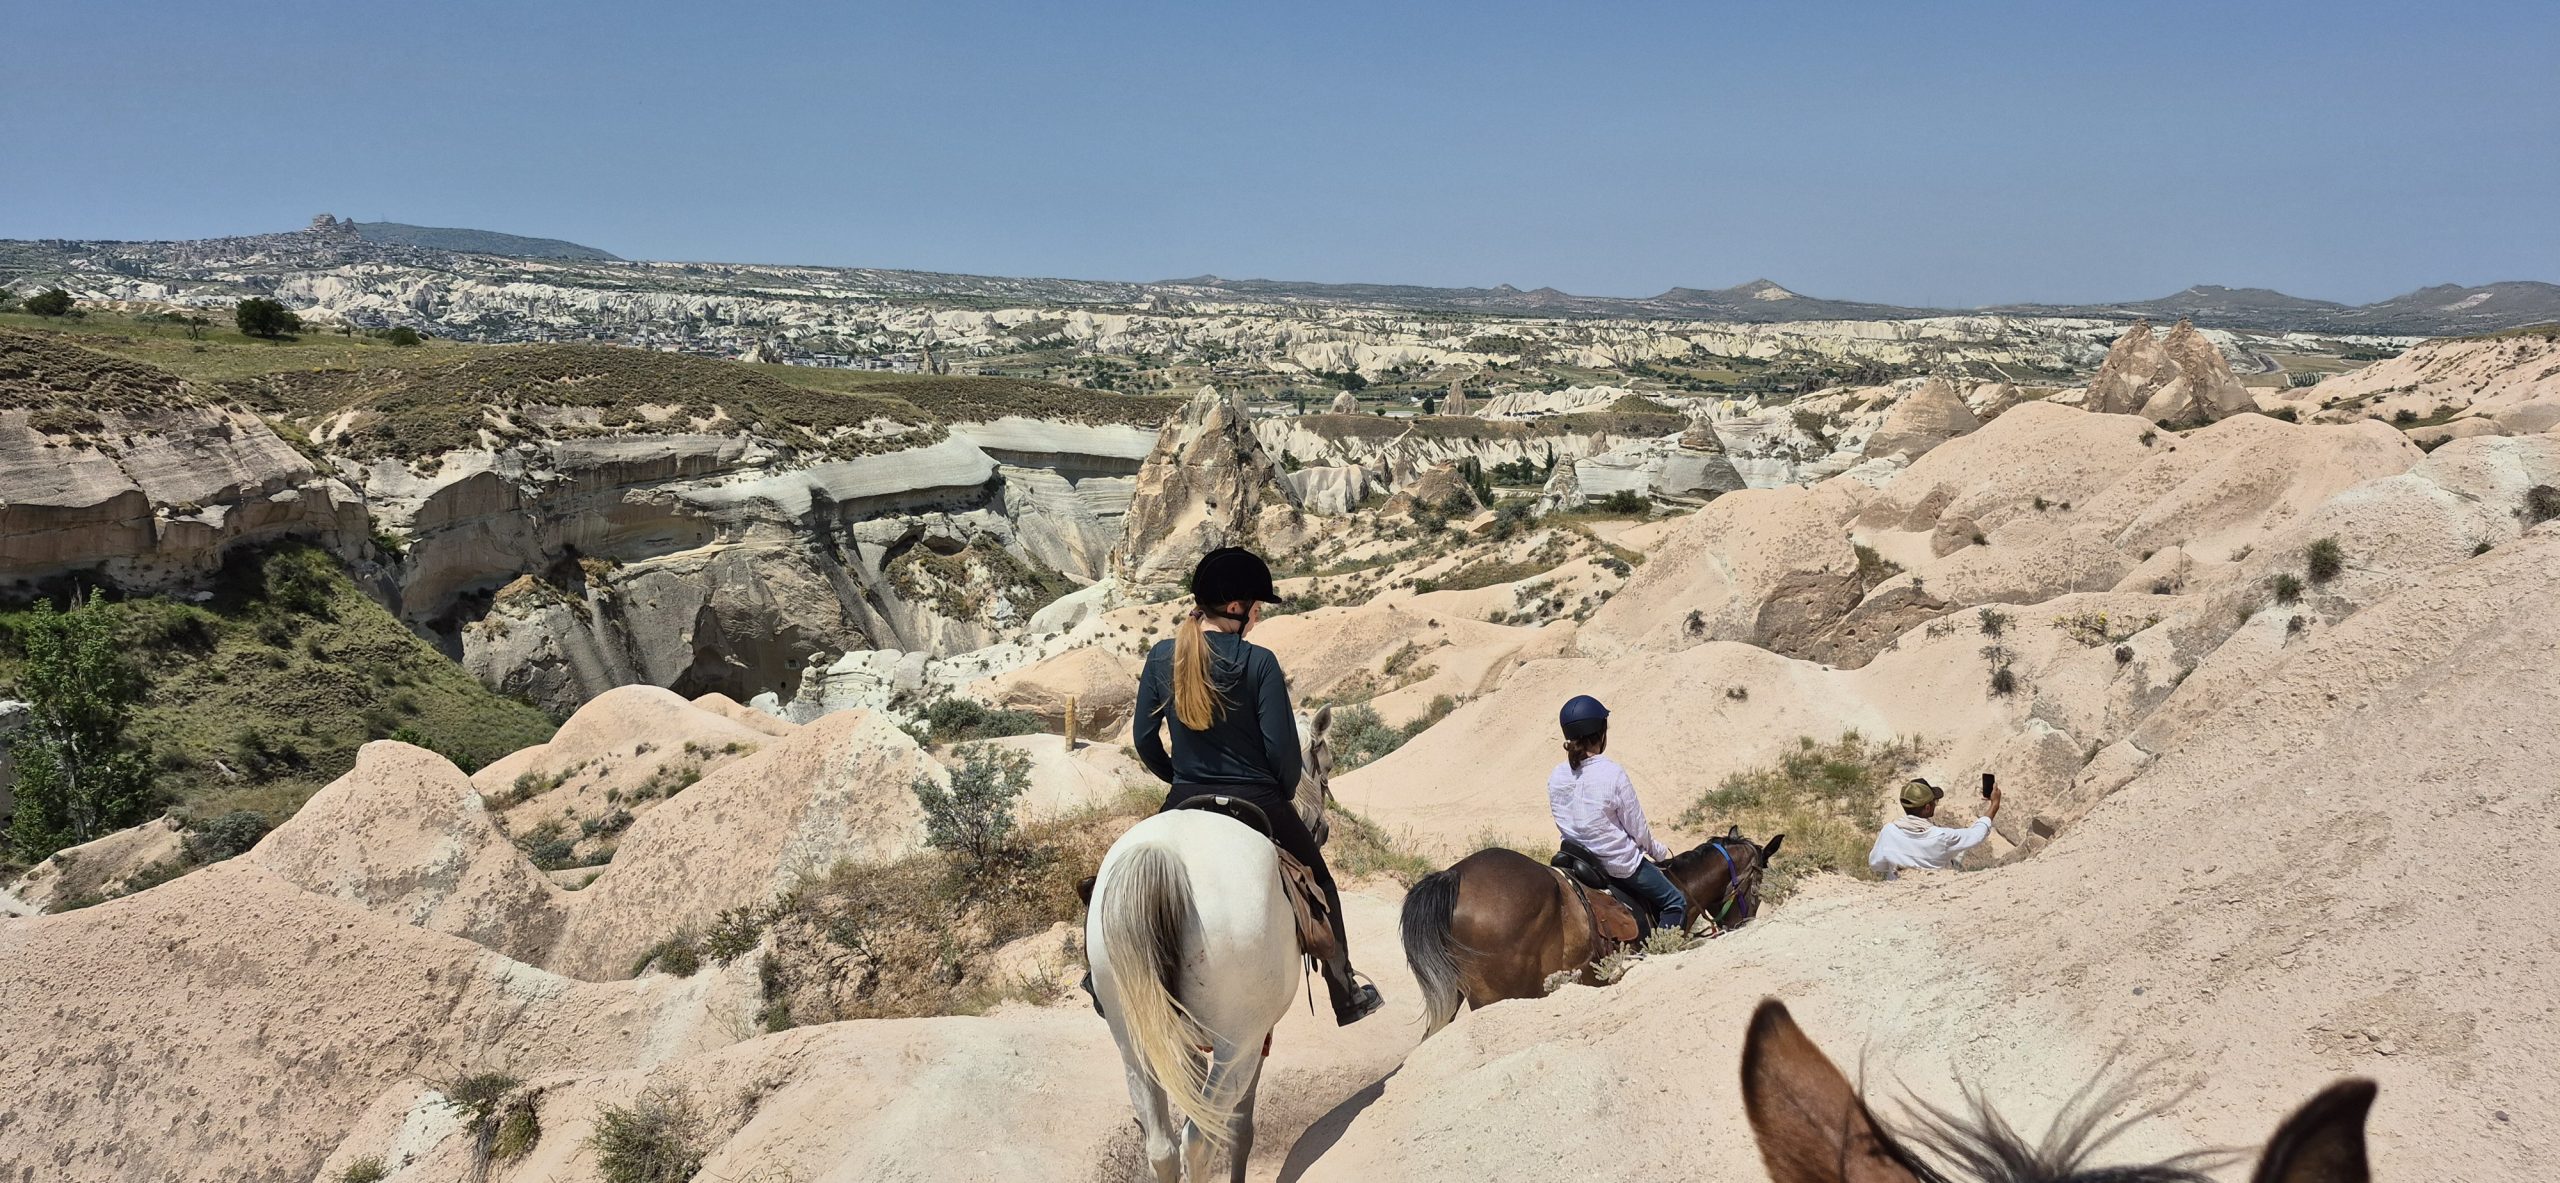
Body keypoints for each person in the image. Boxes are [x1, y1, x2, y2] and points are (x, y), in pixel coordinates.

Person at [1130, 546, 1384, 1026]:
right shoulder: (1259, 662)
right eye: (1257, 606)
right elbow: (1284, 753)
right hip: (1258, 798)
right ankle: (1345, 991)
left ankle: (1096, 977)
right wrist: (1281, 792)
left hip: (1185, 795)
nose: (1258, 615)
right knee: (1322, 883)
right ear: (1235, 607)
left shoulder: (1162, 655)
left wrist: (1179, 778)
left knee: (1127, 870)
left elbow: (1144, 740)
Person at [1546, 695, 1687, 933]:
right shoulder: (1612, 773)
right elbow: (1637, 829)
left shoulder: (1556, 775)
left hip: (1575, 858)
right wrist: (1658, 852)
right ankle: (1662, 951)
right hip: (1616, 863)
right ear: (1600, 733)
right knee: (1675, 902)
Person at [1867, 777, 1999, 880]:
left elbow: (1875, 864)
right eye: (1934, 802)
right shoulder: (1941, 837)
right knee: (1957, 857)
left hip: (1899, 890)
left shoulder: (1889, 831)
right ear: (1927, 808)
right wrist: (1995, 804)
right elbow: (1977, 834)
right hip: (1934, 891)